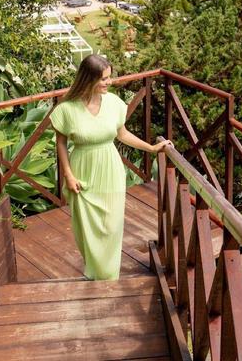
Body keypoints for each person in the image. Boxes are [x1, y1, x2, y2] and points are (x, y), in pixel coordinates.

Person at [50, 55, 171, 280]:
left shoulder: (114, 103)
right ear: (88, 79)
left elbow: (122, 134)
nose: (109, 82)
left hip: (110, 169)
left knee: (112, 226)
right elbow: (61, 143)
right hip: (82, 170)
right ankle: (95, 272)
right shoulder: (67, 109)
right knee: (85, 227)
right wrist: (68, 174)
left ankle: (109, 276)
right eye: (104, 79)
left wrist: (152, 149)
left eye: (109, 77)